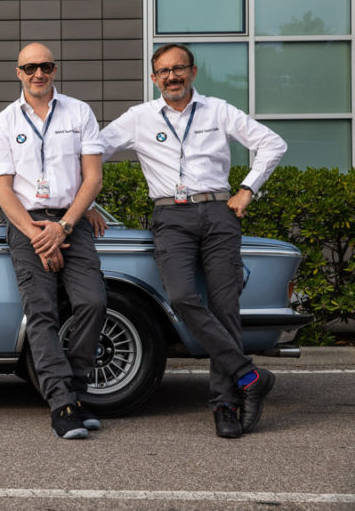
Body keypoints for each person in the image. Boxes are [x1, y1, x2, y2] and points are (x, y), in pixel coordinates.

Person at [100, 43, 287, 438]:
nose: (172, 76)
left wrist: (247, 189)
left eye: (179, 68)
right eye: (164, 71)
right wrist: (83, 202)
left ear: (193, 72)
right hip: (172, 217)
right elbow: (92, 150)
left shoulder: (218, 110)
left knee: (225, 307)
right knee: (182, 297)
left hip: (220, 213)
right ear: (154, 78)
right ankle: (249, 375)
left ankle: (225, 404)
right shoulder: (139, 118)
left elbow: (272, 143)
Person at [0, 42, 107, 440]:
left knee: (92, 302)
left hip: (71, 222)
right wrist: (38, 234)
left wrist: (65, 226)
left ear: (54, 70)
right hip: (27, 226)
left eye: (46, 66)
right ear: (18, 72)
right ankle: (63, 404)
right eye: (30, 67)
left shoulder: (79, 112)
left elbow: (92, 178)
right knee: (42, 314)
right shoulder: (4, 121)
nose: (39, 73)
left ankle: (73, 389)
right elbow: (2, 189)